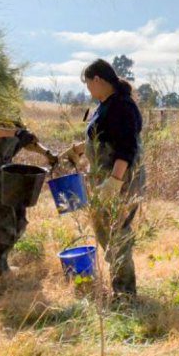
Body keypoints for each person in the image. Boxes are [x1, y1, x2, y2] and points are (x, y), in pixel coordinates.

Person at [60, 58, 145, 300]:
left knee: (118, 231)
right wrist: (79, 148)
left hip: (121, 179)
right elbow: (102, 136)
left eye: (88, 84)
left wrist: (115, 182)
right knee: (104, 230)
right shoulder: (105, 104)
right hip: (104, 177)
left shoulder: (123, 106)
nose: (88, 90)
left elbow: (127, 147)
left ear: (97, 79)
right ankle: (119, 284)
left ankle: (125, 293)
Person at [0, 102, 58, 278]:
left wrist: (47, 153)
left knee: (18, 222)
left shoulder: (12, 116)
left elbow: (28, 141)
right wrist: (15, 132)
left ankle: (2, 266)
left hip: (6, 174)